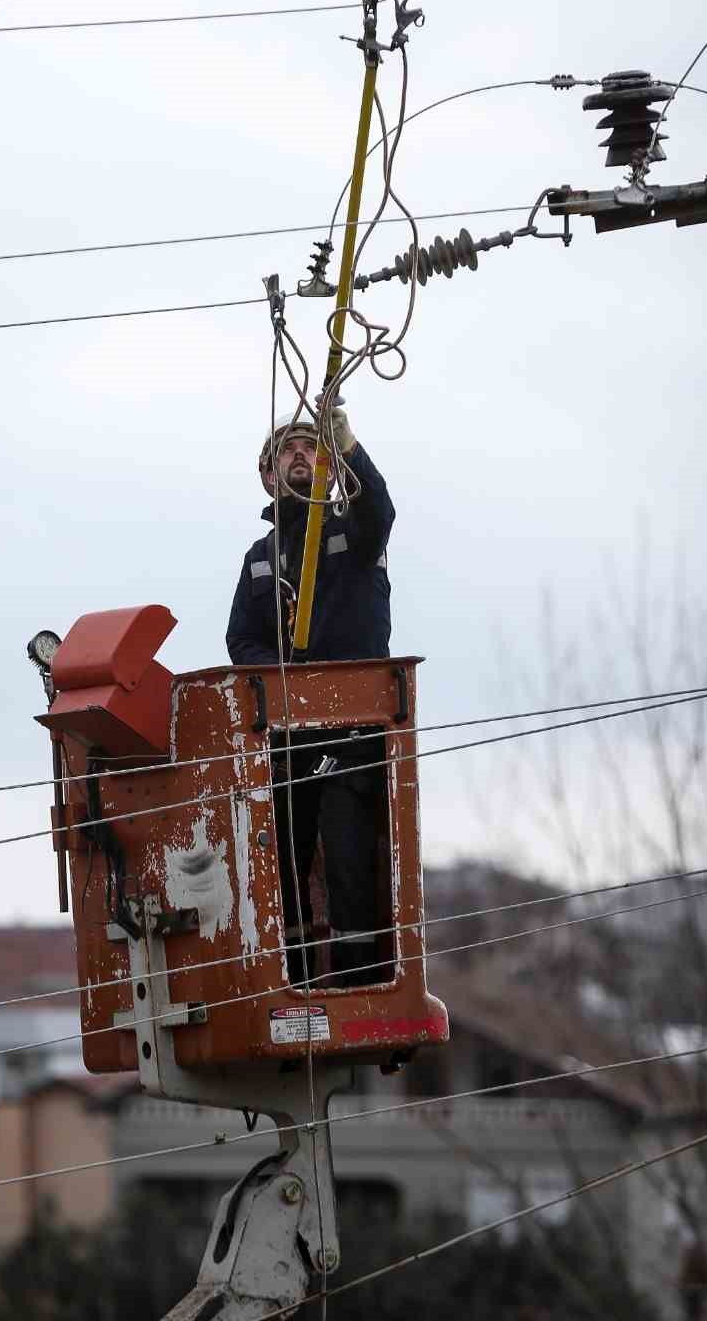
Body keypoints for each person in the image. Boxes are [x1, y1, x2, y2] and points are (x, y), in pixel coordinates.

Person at [225, 406, 396, 988]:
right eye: (287, 450)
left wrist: (348, 445)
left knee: (350, 860)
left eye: (311, 446)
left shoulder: (355, 530)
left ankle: (359, 983)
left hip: (351, 731)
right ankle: (293, 980)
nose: (300, 454)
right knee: (284, 867)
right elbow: (240, 638)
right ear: (268, 474)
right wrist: (278, 676)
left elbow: (381, 507)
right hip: (290, 734)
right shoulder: (259, 558)